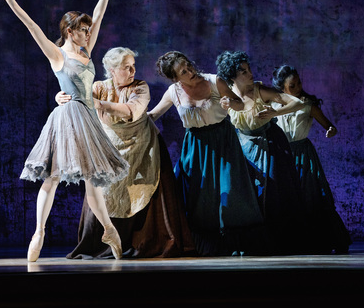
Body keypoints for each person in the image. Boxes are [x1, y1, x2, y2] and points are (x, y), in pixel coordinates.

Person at [2, 0, 129, 262]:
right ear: (69, 31)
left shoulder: (87, 51)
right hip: (67, 117)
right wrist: (11, 1)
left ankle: (108, 229)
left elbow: (99, 15)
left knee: (92, 180)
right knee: (53, 177)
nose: (88, 32)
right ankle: (39, 232)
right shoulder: (58, 54)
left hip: (88, 118)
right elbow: (32, 27)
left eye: (88, 30)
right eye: (83, 30)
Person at [55, 47, 195, 258]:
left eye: (133, 66)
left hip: (144, 147)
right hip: (109, 148)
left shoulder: (140, 87)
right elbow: (76, 98)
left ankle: (144, 241)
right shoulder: (98, 87)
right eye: (126, 67)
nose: (132, 71)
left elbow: (133, 111)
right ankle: (105, 242)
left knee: (145, 190)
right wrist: (61, 97)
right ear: (112, 70)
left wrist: (101, 104)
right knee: (104, 193)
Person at [148, 51, 268, 256]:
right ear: (175, 78)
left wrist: (230, 104)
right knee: (199, 199)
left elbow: (240, 103)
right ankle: (201, 246)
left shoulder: (214, 81)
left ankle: (234, 243)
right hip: (195, 147)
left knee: (229, 193)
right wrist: (129, 121)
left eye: (188, 65)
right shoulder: (173, 92)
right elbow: (153, 115)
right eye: (183, 71)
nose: (190, 71)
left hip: (222, 141)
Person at [216, 50, 309, 254]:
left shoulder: (260, 90)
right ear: (232, 76)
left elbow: (297, 102)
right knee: (245, 193)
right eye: (243, 72)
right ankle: (250, 241)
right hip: (243, 147)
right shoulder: (227, 94)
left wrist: (276, 111)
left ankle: (275, 240)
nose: (250, 74)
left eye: (249, 69)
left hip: (269, 143)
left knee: (272, 190)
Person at [272, 64, 352, 254]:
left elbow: (329, 126)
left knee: (311, 196)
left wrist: (331, 131)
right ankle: (293, 242)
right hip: (283, 155)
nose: (298, 87)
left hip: (302, 155)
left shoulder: (307, 104)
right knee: (287, 199)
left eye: (299, 83)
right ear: (282, 87)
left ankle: (323, 239)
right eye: (293, 85)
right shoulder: (273, 105)